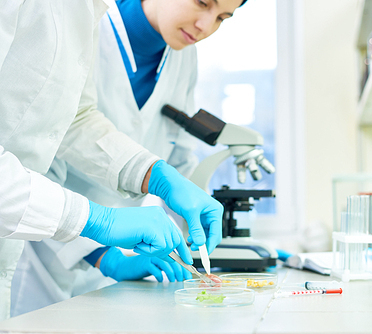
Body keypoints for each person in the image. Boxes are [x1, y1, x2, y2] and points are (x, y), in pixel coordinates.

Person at [9, 0, 247, 318]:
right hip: (37, 242)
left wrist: (158, 175)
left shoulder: (88, 12)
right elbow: (37, 147)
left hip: (67, 246)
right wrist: (99, 230)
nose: (206, 25)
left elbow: (76, 119)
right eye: (202, 2)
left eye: (221, 17)